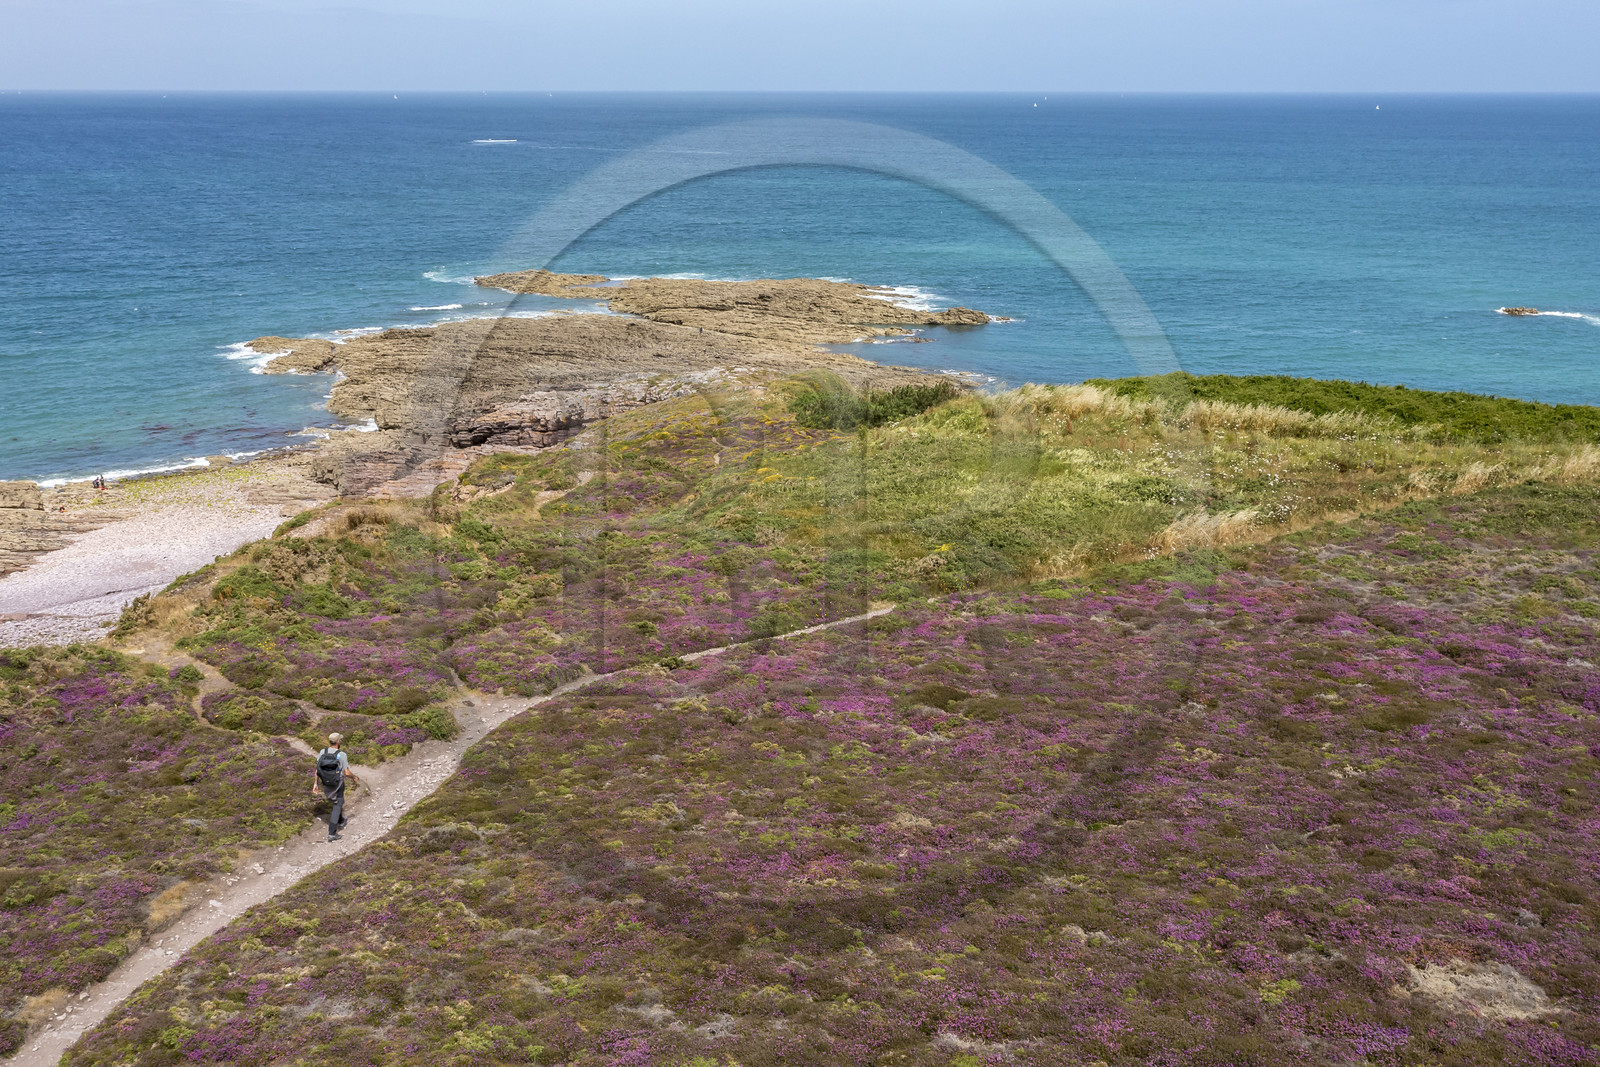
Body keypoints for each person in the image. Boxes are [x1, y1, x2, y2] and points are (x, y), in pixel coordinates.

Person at [311, 733, 358, 841]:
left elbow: (317, 770)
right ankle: (332, 833)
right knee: (338, 804)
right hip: (338, 782)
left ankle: (341, 820)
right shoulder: (342, 754)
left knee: (337, 802)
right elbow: (346, 772)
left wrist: (315, 784)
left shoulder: (323, 752)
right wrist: (354, 777)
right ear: (338, 742)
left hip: (326, 782)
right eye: (340, 740)